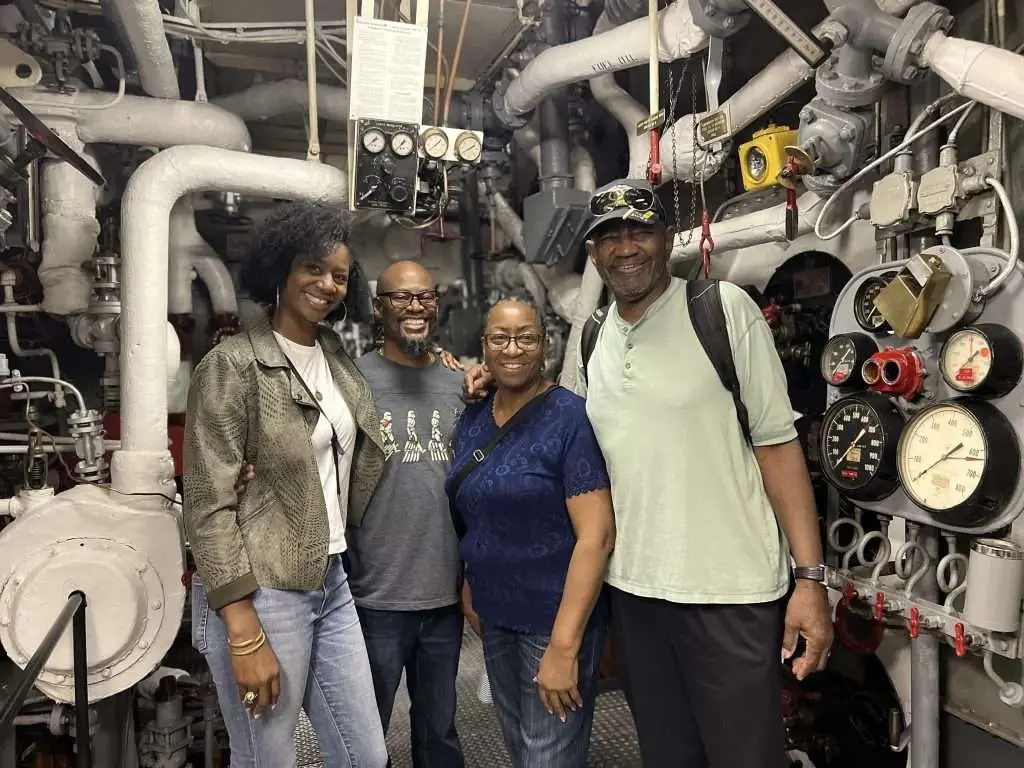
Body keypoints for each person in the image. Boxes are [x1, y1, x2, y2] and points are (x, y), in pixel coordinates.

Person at [464, 179, 834, 768]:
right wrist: (491, 383)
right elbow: (555, 431)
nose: (625, 247)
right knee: (666, 755)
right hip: (632, 594)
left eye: (639, 230)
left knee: (748, 756)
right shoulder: (592, 337)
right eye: (609, 236)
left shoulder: (720, 311)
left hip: (729, 593)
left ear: (667, 238)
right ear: (592, 252)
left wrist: (810, 580)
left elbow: (779, 447)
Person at [183, 201, 388, 768]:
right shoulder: (233, 365)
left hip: (331, 579)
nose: (327, 284)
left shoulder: (335, 355)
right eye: (313, 268)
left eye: (340, 276)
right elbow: (206, 504)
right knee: (266, 759)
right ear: (280, 269)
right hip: (262, 589)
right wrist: (242, 625)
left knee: (365, 755)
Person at [448, 297, 615, 768]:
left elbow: (596, 537)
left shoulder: (569, 418)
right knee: (522, 746)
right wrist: (469, 579)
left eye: (525, 337)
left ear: (544, 345)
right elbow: (472, 504)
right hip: (495, 613)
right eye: (500, 337)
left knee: (548, 756)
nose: (513, 348)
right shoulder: (474, 416)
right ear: (484, 347)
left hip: (554, 617)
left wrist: (564, 648)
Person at [346, 260, 467, 767]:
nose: (415, 307)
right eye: (401, 298)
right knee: (365, 734)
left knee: (439, 731)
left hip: (444, 594)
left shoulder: (461, 380)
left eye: (424, 297)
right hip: (374, 595)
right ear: (379, 308)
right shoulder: (353, 382)